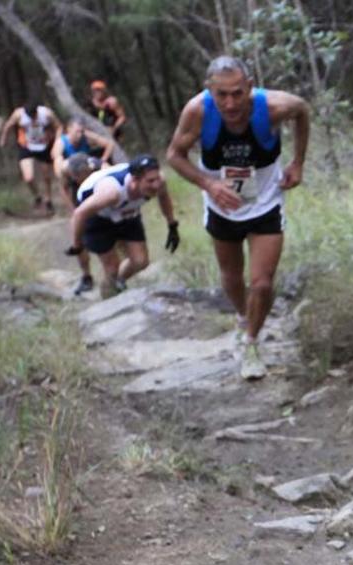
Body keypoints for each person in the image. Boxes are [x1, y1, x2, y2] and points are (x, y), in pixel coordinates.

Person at [166, 56, 310, 381]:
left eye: (237, 93)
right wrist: (209, 184)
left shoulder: (273, 106)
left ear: (249, 86)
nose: (230, 103)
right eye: (222, 95)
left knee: (261, 282)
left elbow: (302, 110)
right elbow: (174, 155)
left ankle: (251, 343)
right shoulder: (197, 112)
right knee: (232, 278)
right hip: (222, 207)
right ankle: (244, 318)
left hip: (265, 203)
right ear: (210, 91)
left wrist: (298, 162)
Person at [67, 154, 180, 300]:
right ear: (134, 180)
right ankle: (108, 298)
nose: (156, 185)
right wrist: (77, 245)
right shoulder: (111, 192)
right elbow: (79, 214)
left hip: (126, 212)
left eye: (157, 179)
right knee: (112, 268)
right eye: (150, 181)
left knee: (140, 261)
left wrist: (172, 225)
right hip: (97, 217)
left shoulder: (159, 182)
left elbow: (164, 198)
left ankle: (118, 282)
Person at [0, 101, 62, 212]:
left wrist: (57, 142)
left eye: (34, 115)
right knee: (28, 177)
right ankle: (37, 196)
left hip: (44, 145)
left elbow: (59, 127)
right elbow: (8, 125)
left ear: (37, 111)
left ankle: (48, 200)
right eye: (30, 116)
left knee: (46, 176)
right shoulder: (18, 114)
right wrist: (3, 139)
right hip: (26, 145)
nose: (33, 118)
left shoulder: (47, 114)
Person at [60, 152, 102, 295]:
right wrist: (73, 210)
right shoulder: (65, 170)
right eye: (74, 177)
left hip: (100, 196)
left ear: (88, 171)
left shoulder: (99, 167)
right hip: (79, 200)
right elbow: (64, 189)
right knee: (78, 240)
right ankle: (86, 277)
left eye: (80, 176)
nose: (77, 179)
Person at [54, 119, 117, 210]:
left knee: (106, 169)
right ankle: (74, 210)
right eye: (77, 132)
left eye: (81, 131)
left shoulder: (86, 135)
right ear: (69, 129)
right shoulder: (60, 143)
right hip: (72, 170)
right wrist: (65, 173)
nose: (79, 134)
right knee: (64, 186)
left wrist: (103, 159)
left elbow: (109, 144)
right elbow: (57, 163)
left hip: (88, 167)